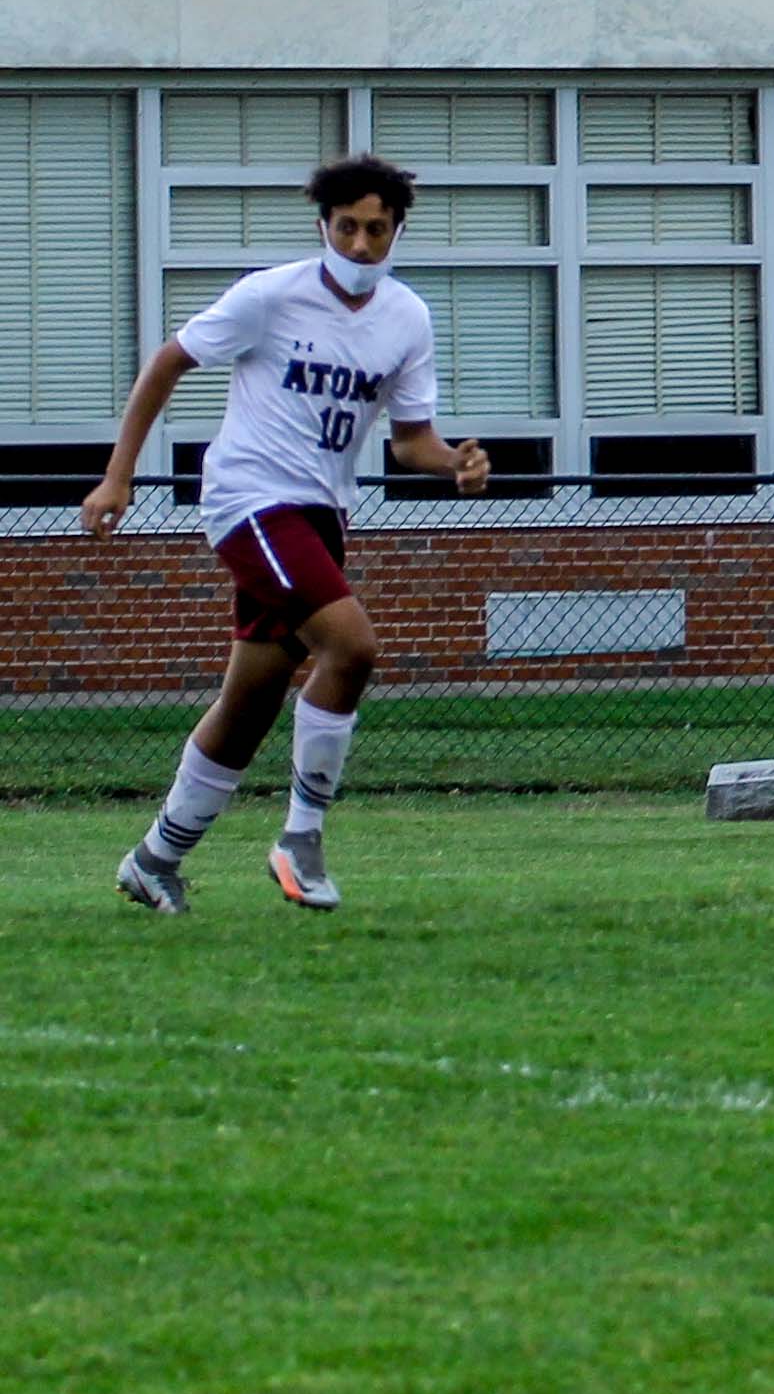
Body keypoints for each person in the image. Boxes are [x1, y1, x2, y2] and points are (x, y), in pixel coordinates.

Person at [81, 154, 492, 912]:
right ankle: (300, 839)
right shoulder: (271, 296)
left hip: (319, 514)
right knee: (353, 647)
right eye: (347, 228)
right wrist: (118, 474)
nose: (362, 245)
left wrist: (455, 465)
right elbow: (168, 363)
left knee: (253, 698)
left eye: (377, 229)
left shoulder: (407, 317)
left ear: (398, 230)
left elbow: (410, 440)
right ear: (323, 227)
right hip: (252, 499)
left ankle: (155, 857)